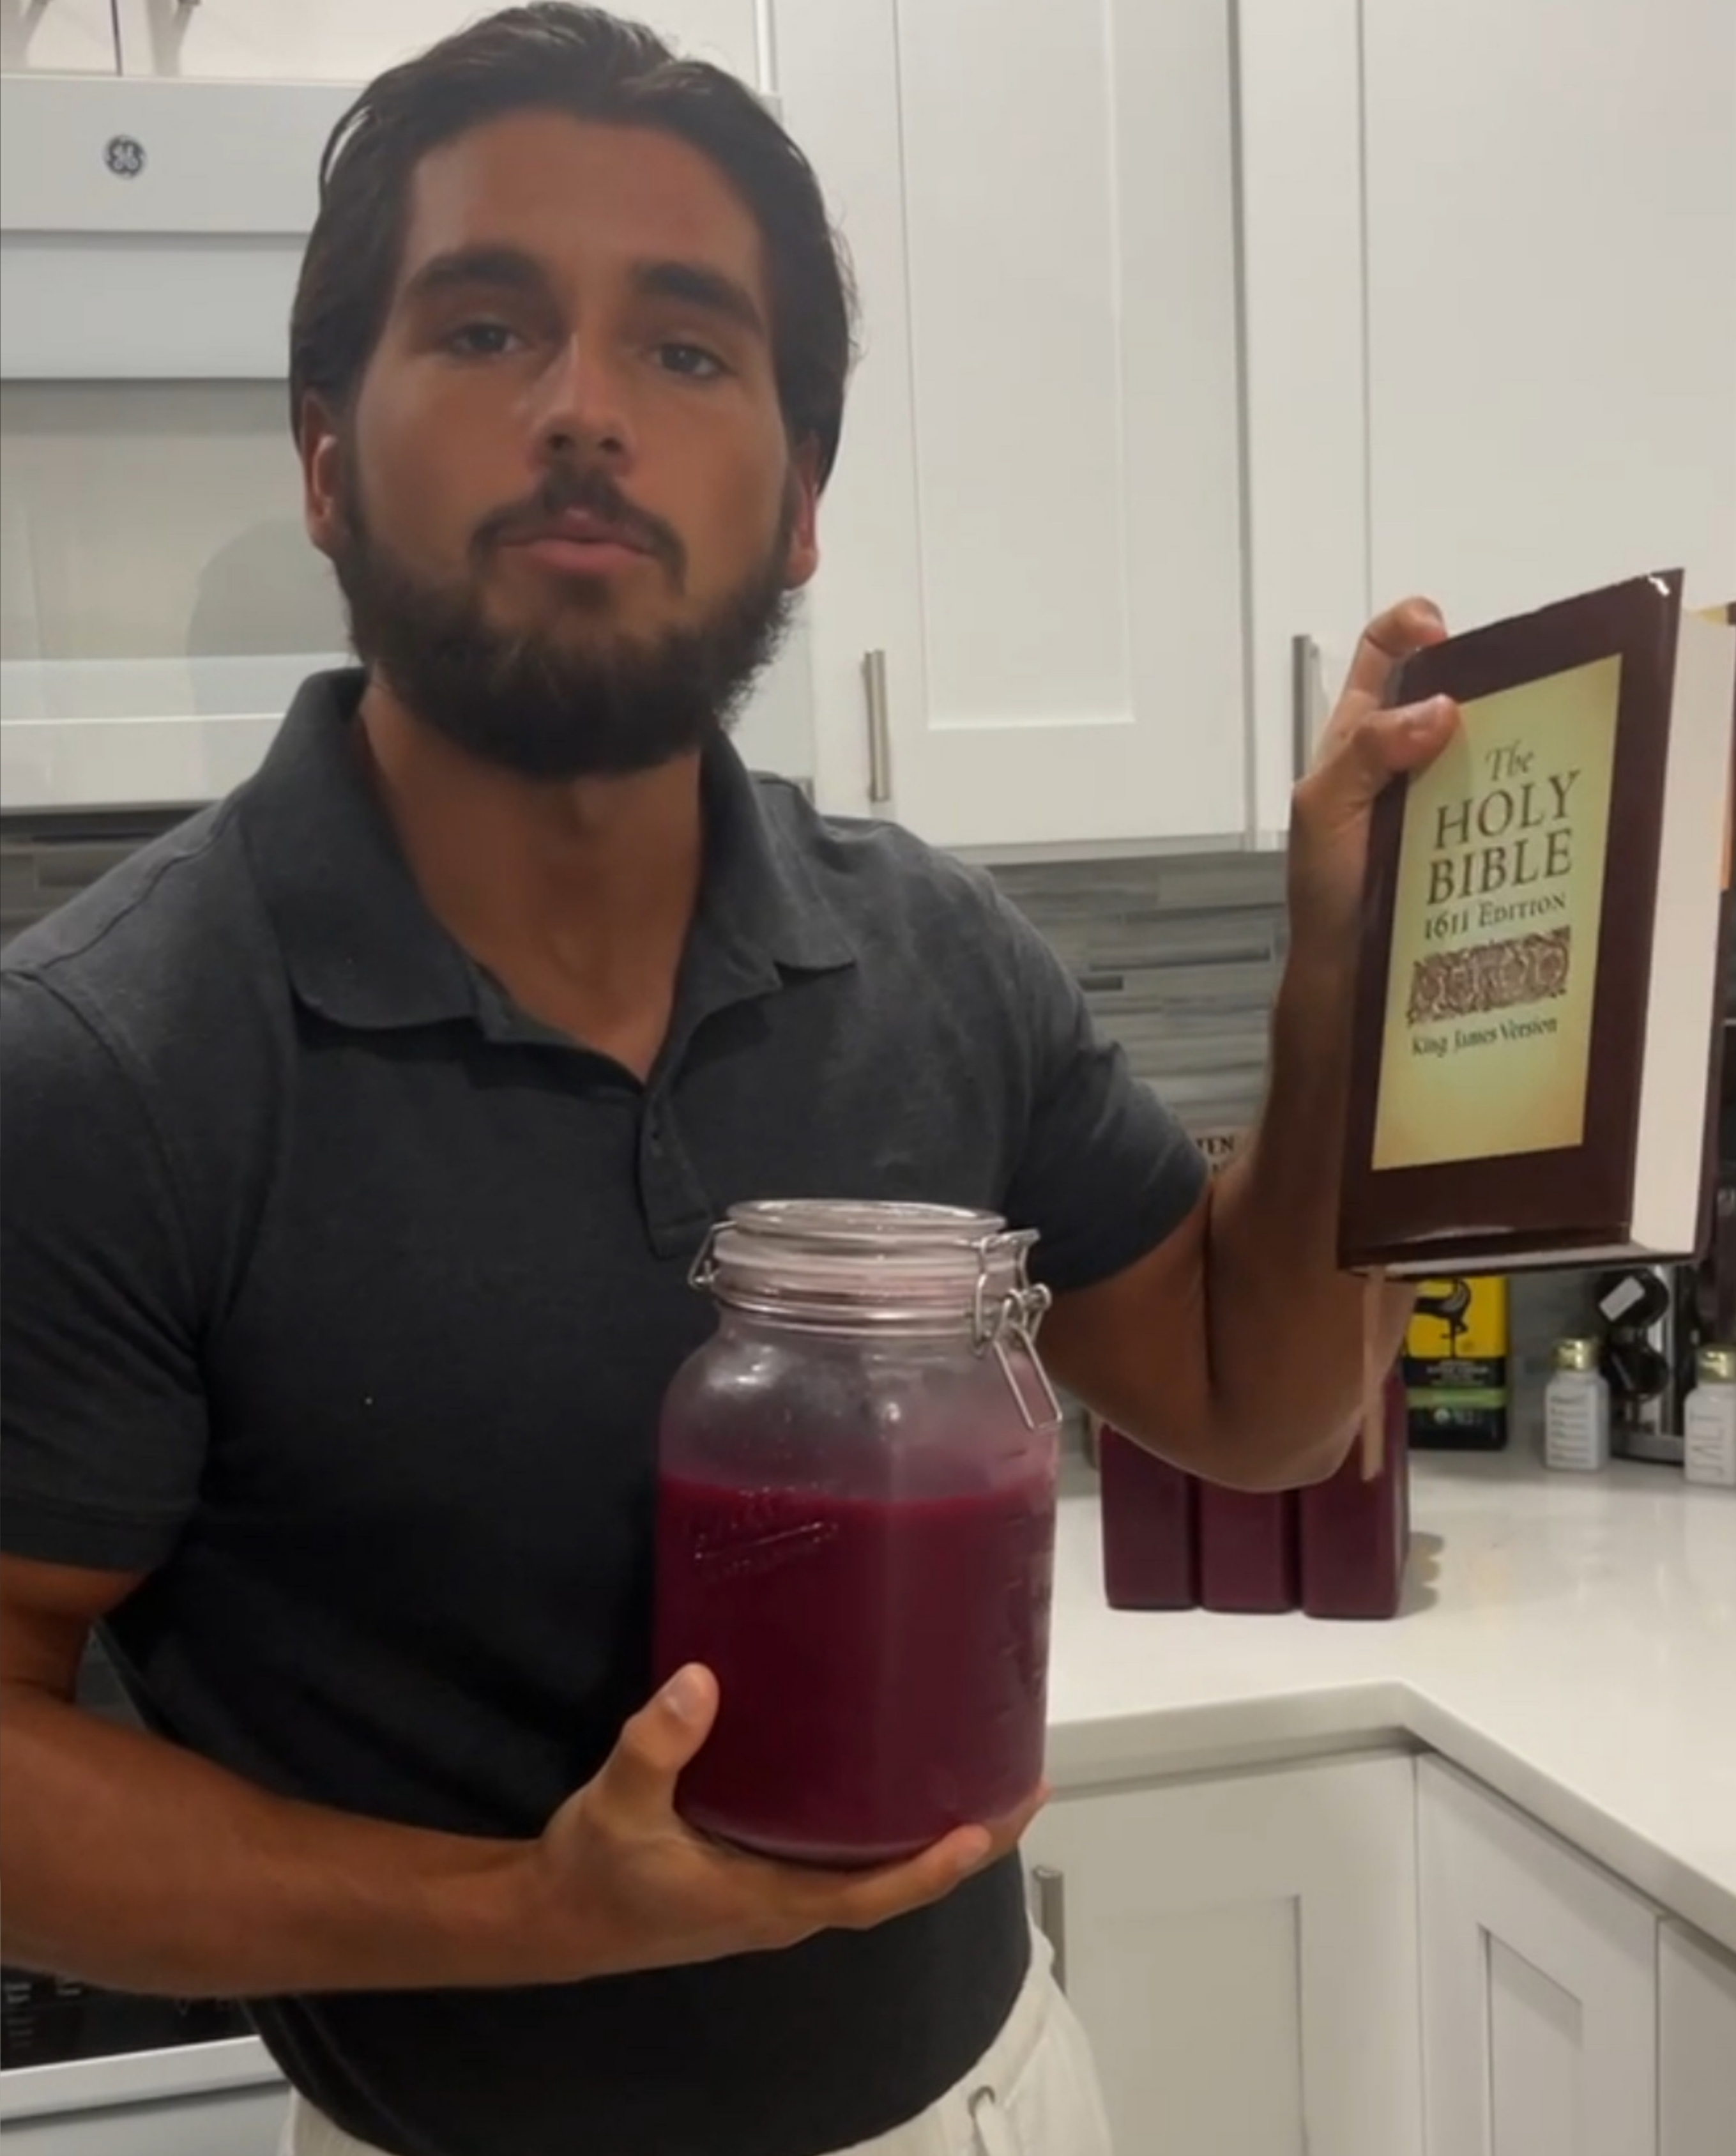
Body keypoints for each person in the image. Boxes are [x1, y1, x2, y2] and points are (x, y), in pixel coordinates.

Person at [0, 9, 1456, 2152]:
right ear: (324, 456)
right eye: (487, 324)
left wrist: (1352, 956)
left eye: (689, 352)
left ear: (798, 511)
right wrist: (533, 1912)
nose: (584, 411)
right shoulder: (116, 1061)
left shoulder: (935, 960)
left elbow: (1262, 1395)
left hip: (988, 2103)